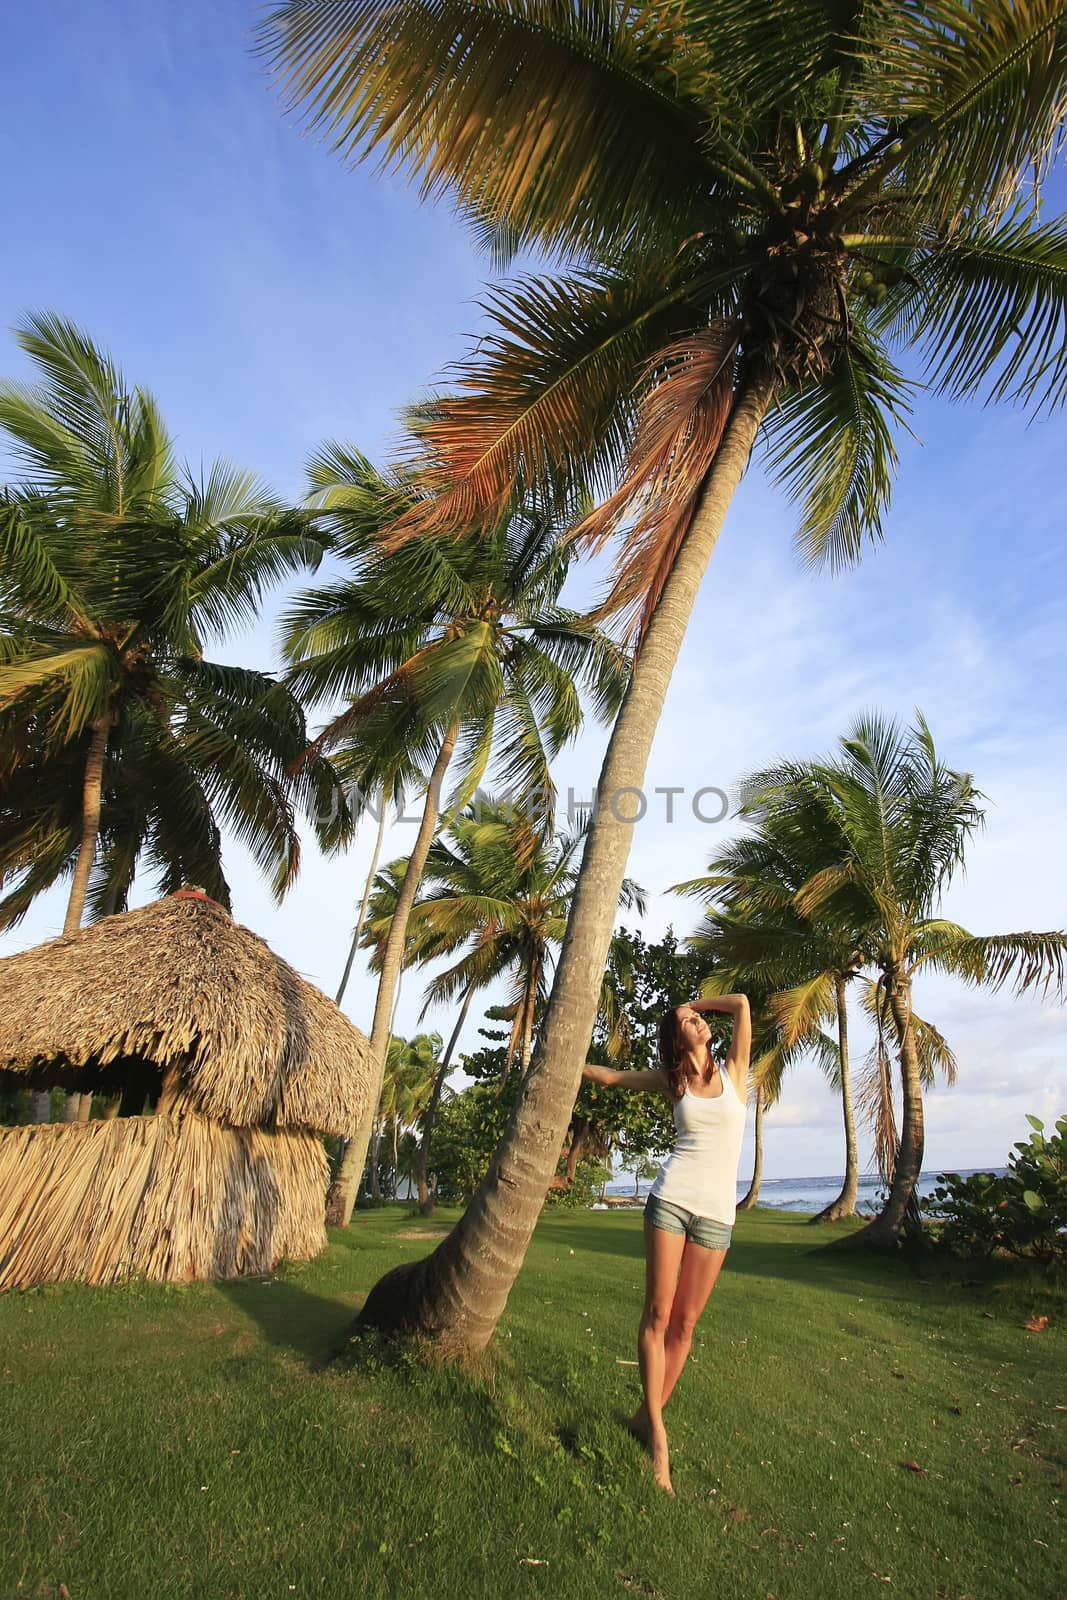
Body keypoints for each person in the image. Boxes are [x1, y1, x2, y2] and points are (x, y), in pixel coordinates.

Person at [581, 993, 751, 1494]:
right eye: (688, 1022)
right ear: (675, 1042)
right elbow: (611, 1078)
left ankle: (643, 1416)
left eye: (698, 1019)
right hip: (670, 1203)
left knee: (686, 1324)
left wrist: (691, 1002)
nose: (698, 1023)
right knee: (657, 1315)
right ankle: (658, 1435)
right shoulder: (671, 1083)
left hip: (718, 1216)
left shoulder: (736, 1072)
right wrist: (563, 1058)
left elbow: (741, 1003)